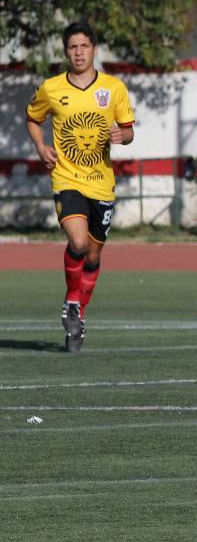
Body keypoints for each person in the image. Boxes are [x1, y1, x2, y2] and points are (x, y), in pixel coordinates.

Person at [25, 22, 136, 352]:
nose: (79, 52)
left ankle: (78, 313)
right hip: (67, 179)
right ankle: (72, 302)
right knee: (77, 240)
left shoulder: (113, 88)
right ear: (65, 52)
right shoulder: (51, 88)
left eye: (84, 46)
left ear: (95, 49)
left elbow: (129, 130)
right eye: (73, 47)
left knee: (92, 254)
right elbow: (33, 119)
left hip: (102, 184)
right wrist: (40, 146)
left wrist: (123, 136)